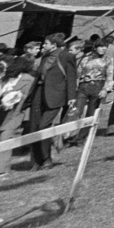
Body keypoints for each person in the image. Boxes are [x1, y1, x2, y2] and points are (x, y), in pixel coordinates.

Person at [28, 34, 76, 167]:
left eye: (46, 44)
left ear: (54, 45)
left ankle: (46, 159)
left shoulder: (67, 56)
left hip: (56, 95)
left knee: (44, 126)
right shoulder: (45, 56)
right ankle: (36, 160)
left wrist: (71, 97)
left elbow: (71, 77)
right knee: (34, 127)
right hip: (39, 93)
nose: (43, 46)